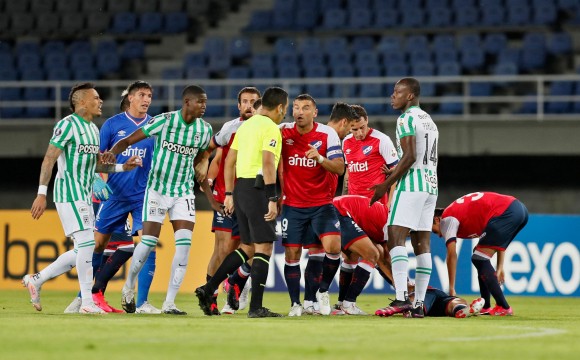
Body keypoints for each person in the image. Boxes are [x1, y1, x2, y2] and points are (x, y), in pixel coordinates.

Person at [23, 82, 141, 314]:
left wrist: (122, 168)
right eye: (96, 98)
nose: (100, 102)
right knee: (88, 244)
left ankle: (36, 280)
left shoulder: (92, 129)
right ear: (82, 102)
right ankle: (87, 302)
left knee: (82, 250)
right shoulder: (66, 126)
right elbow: (49, 159)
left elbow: (96, 165)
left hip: (84, 196)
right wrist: (40, 194)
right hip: (68, 194)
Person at [102, 85, 213, 315]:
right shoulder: (165, 121)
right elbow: (130, 140)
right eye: (200, 102)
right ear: (187, 102)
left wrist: (211, 195)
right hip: (157, 191)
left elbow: (204, 155)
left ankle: (169, 303)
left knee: (184, 248)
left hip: (183, 193)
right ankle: (128, 285)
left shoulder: (204, 129)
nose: (204, 106)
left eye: (205, 102)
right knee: (149, 243)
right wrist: (113, 152)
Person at [195, 86, 288, 318]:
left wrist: (229, 192)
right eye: (284, 109)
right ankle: (256, 307)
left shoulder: (246, 126)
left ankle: (208, 289)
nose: (284, 114)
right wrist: (272, 197)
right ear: (279, 107)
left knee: (247, 247)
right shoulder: (271, 128)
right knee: (264, 247)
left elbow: (229, 162)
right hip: (259, 190)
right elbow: (268, 163)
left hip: (240, 189)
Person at [87, 80, 161, 314]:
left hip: (143, 195)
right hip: (115, 195)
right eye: (141, 94)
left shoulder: (155, 125)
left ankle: (142, 303)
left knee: (148, 244)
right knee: (97, 245)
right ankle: (85, 297)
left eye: (149, 95)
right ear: (130, 98)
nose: (146, 99)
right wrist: (96, 178)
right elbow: (97, 158)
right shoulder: (112, 124)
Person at [371, 77, 439, 318]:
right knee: (422, 246)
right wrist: (395, 168)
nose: (393, 96)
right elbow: (416, 156)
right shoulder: (428, 120)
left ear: (410, 96)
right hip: (431, 185)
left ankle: (401, 299)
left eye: (397, 92)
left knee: (395, 236)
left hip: (411, 185)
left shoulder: (406, 118)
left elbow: (409, 156)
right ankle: (419, 304)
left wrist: (385, 184)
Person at [278, 94, 345, 316]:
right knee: (292, 254)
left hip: (321, 204)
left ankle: (322, 292)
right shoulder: (282, 131)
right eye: (296, 107)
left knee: (333, 247)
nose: (299, 111)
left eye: (305, 108)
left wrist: (319, 159)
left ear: (315, 112)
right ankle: (296, 304)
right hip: (293, 205)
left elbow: (339, 168)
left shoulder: (327, 134)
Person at [203, 87, 261, 315]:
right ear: (239, 106)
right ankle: (211, 295)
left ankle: (237, 281)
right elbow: (212, 154)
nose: (248, 105)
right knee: (224, 248)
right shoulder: (230, 128)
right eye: (245, 102)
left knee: (255, 250)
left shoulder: (267, 129)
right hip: (226, 195)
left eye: (253, 102)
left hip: (252, 197)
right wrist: (208, 184)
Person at [432, 192, 529, 316]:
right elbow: (499, 241)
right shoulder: (461, 215)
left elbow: (451, 254)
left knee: (479, 258)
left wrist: (451, 288)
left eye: (435, 231)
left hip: (506, 212)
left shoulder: (446, 219)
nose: (440, 235)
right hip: (518, 210)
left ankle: (503, 306)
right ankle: (486, 306)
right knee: (478, 255)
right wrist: (500, 266)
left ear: (437, 219)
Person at [331, 195, 393, 315]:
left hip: (336, 209)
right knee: (372, 254)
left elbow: (385, 259)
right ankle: (348, 304)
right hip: (340, 212)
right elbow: (385, 260)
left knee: (352, 256)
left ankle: (341, 304)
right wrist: (403, 289)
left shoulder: (384, 221)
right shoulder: (389, 227)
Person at [342, 104, 399, 203]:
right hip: (353, 203)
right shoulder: (346, 142)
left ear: (367, 120)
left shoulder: (382, 140)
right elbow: (348, 174)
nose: (359, 133)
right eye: (355, 129)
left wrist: (390, 205)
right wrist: (343, 198)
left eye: (362, 127)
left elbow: (397, 172)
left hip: (375, 204)